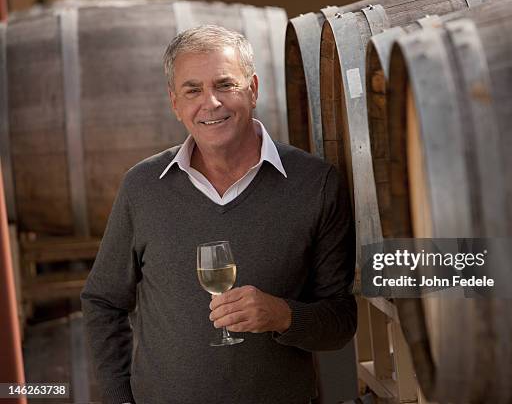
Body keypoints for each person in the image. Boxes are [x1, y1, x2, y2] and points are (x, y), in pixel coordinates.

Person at [81, 25, 357, 404]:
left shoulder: (315, 184)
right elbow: (103, 301)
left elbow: (341, 322)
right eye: (192, 90)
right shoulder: (143, 187)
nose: (210, 103)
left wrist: (282, 315)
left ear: (253, 89)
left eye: (225, 84)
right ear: (174, 103)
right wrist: (118, 397)